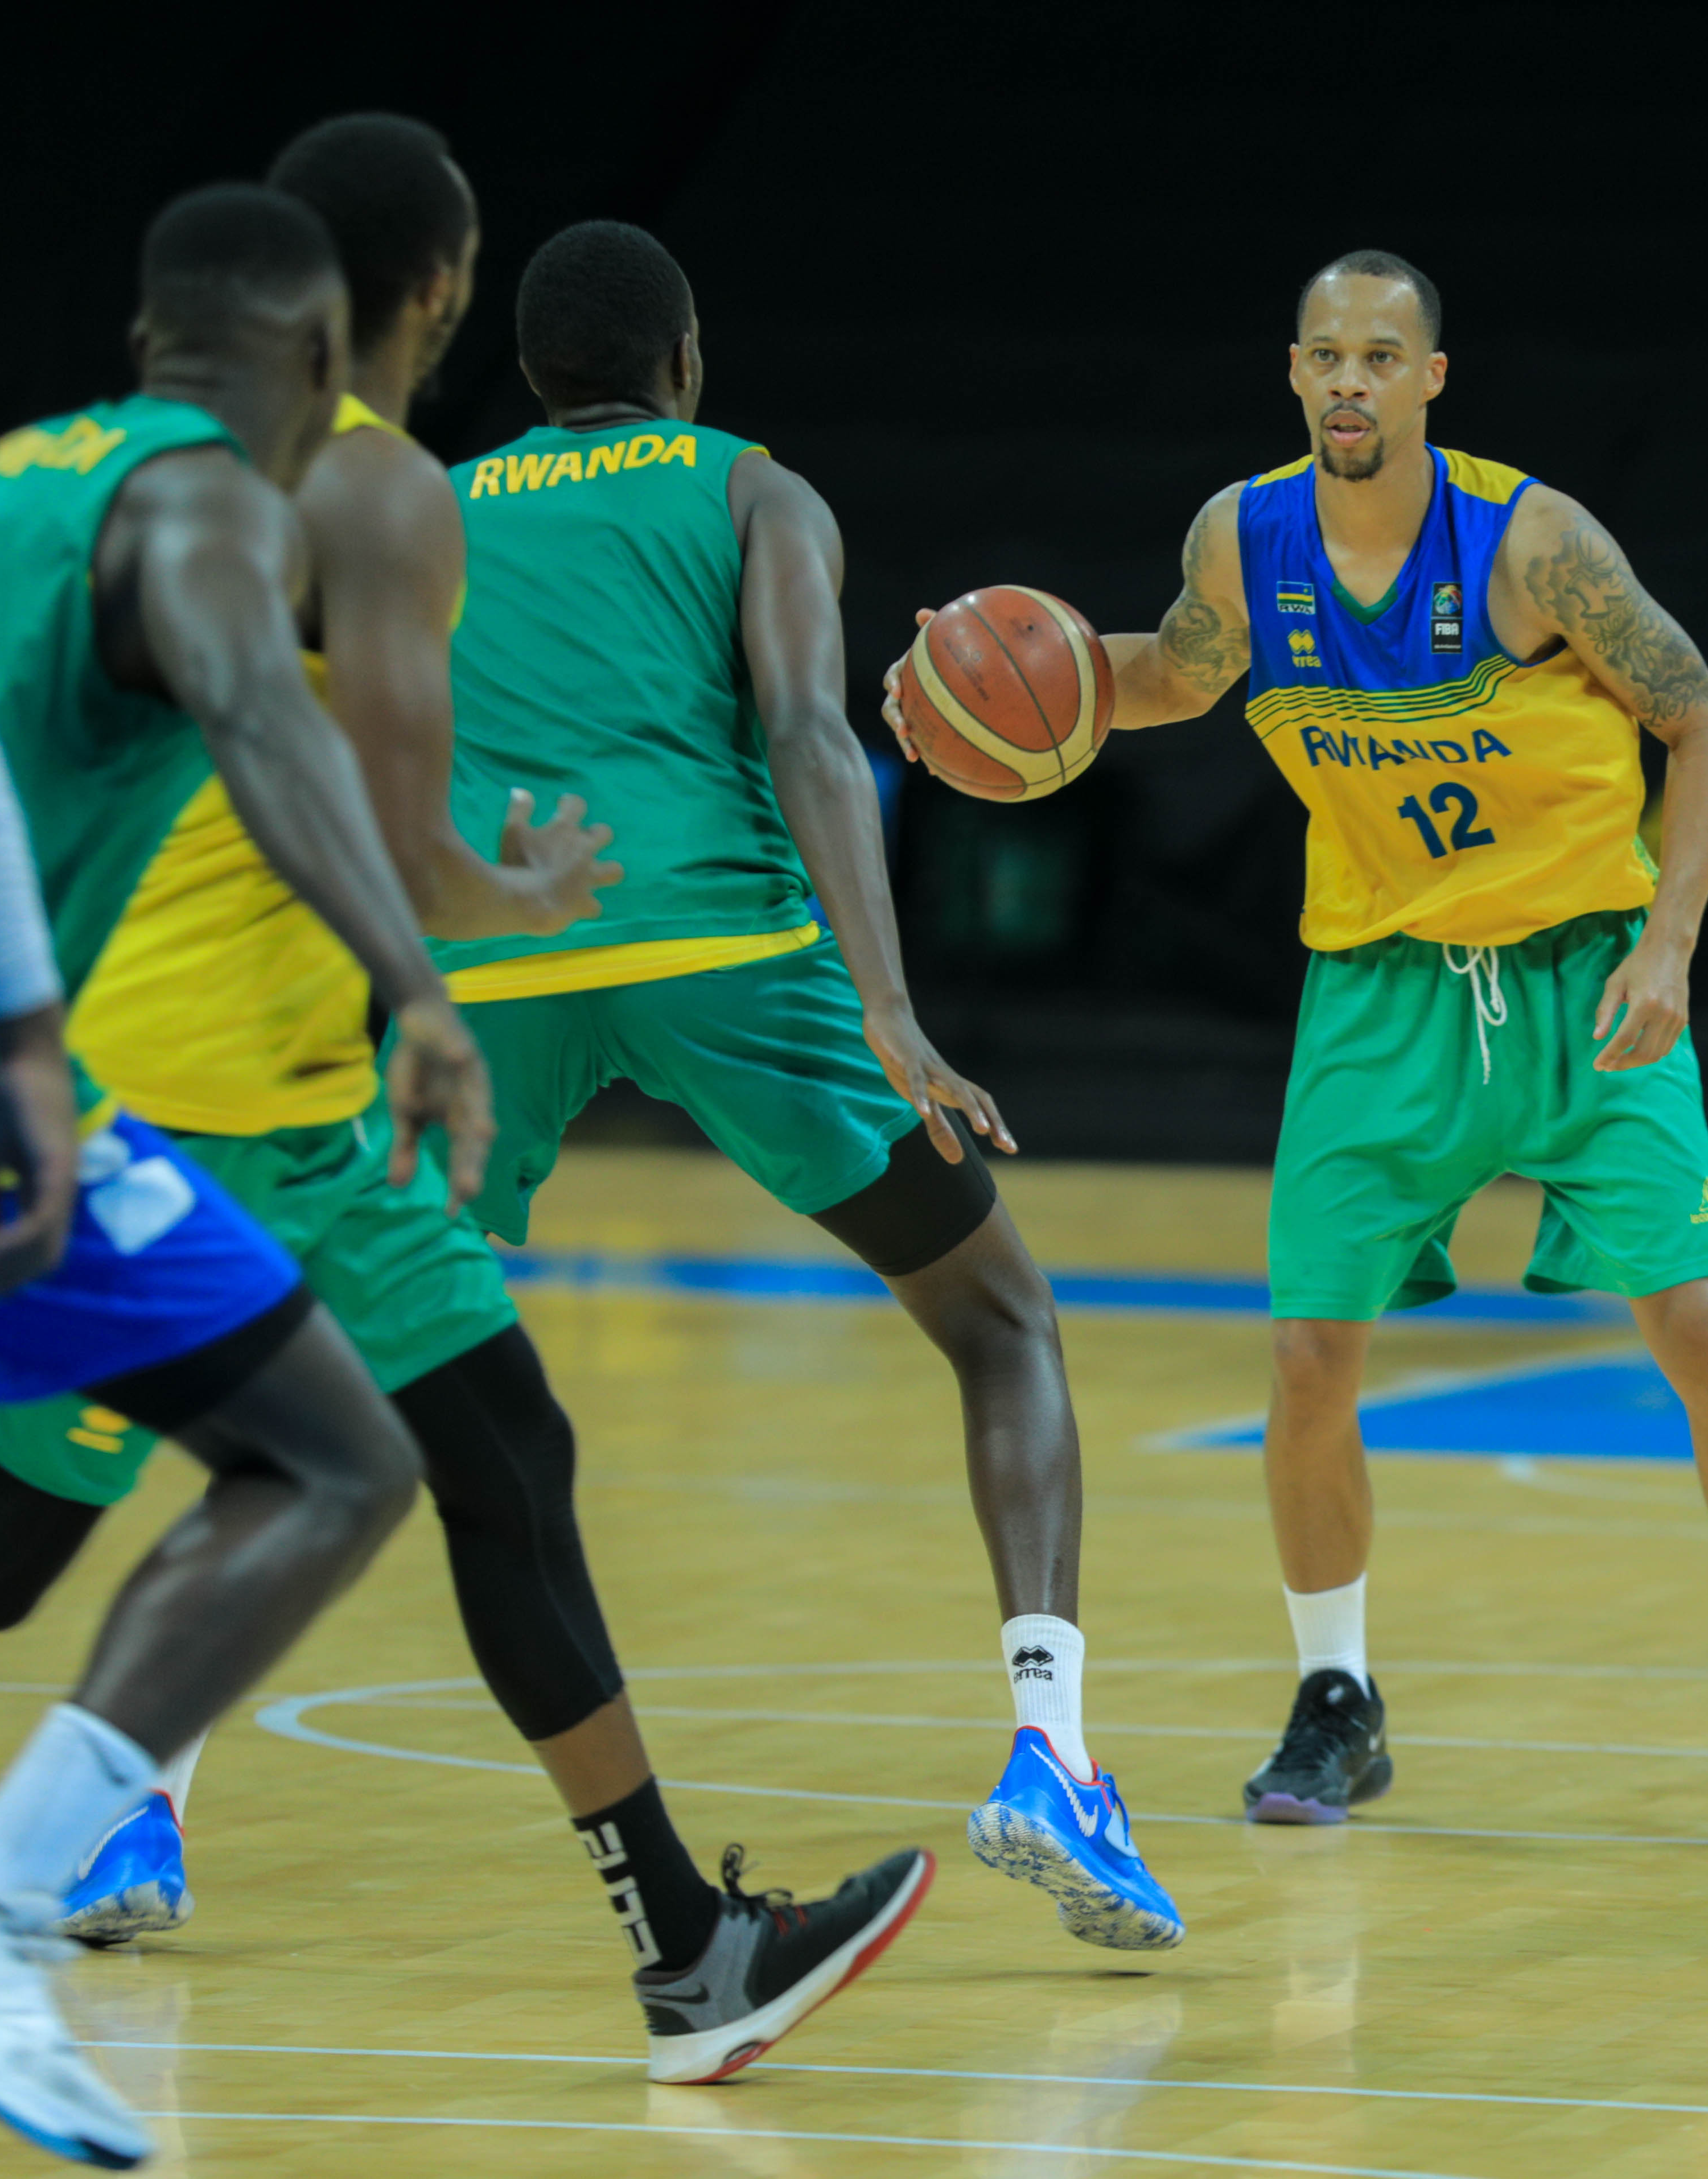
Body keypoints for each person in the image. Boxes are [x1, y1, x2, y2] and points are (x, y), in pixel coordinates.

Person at [0, 116, 936, 2090]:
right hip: (208, 1102)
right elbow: (384, 836)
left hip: (231, 1100)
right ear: (434, 291)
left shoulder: (23, 471)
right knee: (32, 1543)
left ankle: (689, 1952)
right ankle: (6, 1904)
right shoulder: (373, 486)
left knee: (491, 1457)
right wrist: (479, 930)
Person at [891, 252, 1708, 1841]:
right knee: (1310, 1357)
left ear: (1432, 379)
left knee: (1703, 1331)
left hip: (1584, 977)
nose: (1349, 380)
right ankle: (1336, 1699)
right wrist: (977, 686)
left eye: (1380, 355)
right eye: (1325, 355)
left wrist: (1669, 942)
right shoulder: (1241, 541)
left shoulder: (1536, 544)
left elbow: (1704, 719)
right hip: (1382, 993)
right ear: (1293, 373)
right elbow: (1173, 674)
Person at [435, 218, 1178, 1950]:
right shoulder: (755, 489)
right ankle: (1053, 1760)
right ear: (686, 360)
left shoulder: (438, 510)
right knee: (1001, 1325)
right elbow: (804, 731)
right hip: (726, 953)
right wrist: (891, 1009)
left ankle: (137, 1805)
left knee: (328, 1382)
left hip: (496, 957)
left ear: (528, 374)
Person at [0, 183, 483, 2173]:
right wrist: (416, 988)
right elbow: (263, 714)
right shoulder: (212, 510)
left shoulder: (7, 477)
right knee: (335, 1465)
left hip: (15, 1067)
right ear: (328, 363)